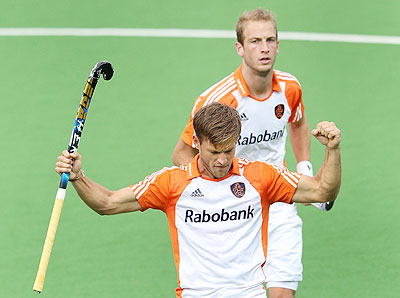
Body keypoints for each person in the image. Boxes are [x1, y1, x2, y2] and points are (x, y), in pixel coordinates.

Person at [56, 102, 341, 298]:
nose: (222, 160)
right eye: (214, 151)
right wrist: (79, 177)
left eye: (228, 150)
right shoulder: (171, 182)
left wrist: (332, 151)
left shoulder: (260, 177)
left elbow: (321, 191)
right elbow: (107, 203)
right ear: (197, 142)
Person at [171, 8, 333, 297]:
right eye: (256, 41)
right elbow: (182, 154)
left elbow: (297, 122)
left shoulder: (289, 88)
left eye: (270, 40)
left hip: (278, 198)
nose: (265, 49)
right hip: (236, 208)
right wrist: (215, 194)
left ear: (278, 44)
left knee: (283, 292)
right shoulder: (218, 99)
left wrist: (304, 168)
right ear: (240, 48)